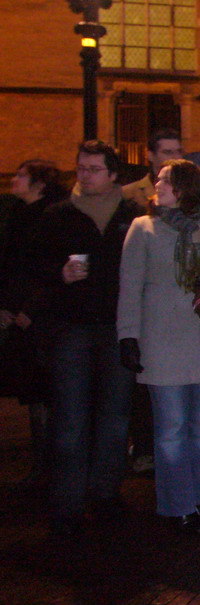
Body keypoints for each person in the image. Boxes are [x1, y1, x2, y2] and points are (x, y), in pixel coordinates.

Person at [117, 160, 200, 533]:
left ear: (183, 187)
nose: (156, 184)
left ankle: (197, 500)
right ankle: (176, 506)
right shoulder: (143, 228)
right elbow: (130, 286)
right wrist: (128, 335)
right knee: (171, 429)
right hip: (160, 341)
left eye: (163, 180)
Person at [27, 141, 144, 538]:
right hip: (72, 327)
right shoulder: (58, 215)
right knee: (71, 419)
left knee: (115, 417)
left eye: (94, 168)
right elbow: (32, 265)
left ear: (113, 174)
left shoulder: (133, 215)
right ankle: (68, 503)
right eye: (81, 167)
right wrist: (59, 274)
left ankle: (105, 492)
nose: (85, 174)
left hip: (118, 327)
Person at [0, 160, 69, 487]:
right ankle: (43, 463)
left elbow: (47, 270)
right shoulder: (20, 215)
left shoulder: (49, 217)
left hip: (42, 317)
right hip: (22, 314)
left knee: (46, 388)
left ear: (39, 183)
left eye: (21, 175)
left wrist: (30, 308)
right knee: (34, 389)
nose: (14, 179)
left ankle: (51, 467)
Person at [123, 129, 184, 209]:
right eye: (168, 152)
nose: (176, 157)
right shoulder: (129, 193)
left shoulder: (194, 191)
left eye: (179, 152)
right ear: (150, 155)